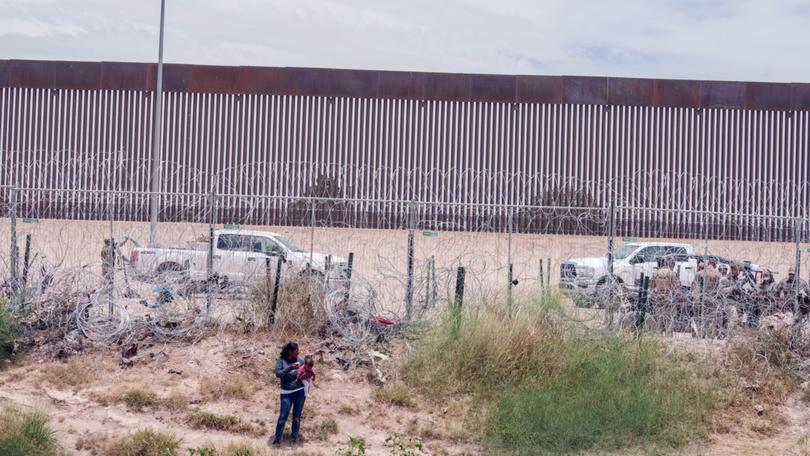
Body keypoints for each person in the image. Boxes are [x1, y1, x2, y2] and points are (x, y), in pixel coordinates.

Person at [272, 342, 307, 449]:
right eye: (296, 351)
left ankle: (294, 439)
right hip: (286, 393)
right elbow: (278, 374)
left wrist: (306, 375)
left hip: (300, 392)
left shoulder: (300, 361)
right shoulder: (281, 361)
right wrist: (290, 368)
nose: (298, 352)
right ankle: (277, 440)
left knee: (296, 417)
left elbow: (308, 372)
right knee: (283, 417)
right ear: (290, 352)